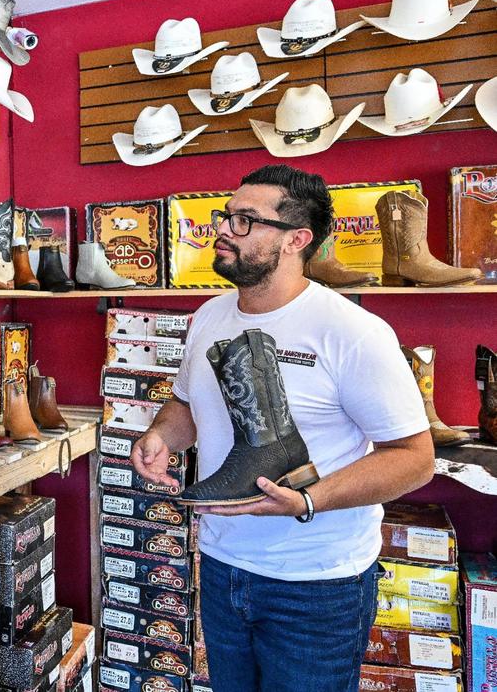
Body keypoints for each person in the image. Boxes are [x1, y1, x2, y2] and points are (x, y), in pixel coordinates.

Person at [131, 164, 433, 692]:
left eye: (246, 220)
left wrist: (308, 500)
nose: (223, 229)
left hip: (316, 584)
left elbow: (414, 457)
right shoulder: (210, 317)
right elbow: (185, 405)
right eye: (226, 215)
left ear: (297, 239)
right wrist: (161, 437)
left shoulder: (353, 331)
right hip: (222, 564)